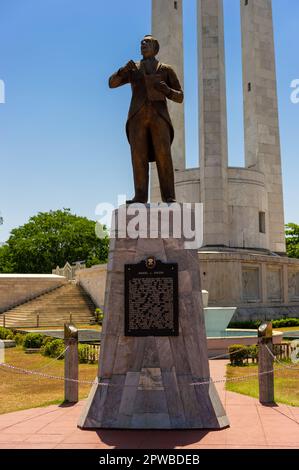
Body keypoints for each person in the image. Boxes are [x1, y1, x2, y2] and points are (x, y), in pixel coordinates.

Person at [108, 35, 184, 204]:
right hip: (137, 118)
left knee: (164, 156)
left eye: (147, 42)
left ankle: (169, 196)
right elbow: (111, 83)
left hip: (159, 118)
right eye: (142, 42)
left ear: (155, 48)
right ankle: (140, 196)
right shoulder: (133, 68)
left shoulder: (166, 69)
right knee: (138, 156)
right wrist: (122, 71)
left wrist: (167, 90)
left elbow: (180, 97)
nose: (143, 44)